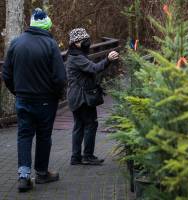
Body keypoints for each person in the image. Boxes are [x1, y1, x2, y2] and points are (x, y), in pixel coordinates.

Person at [2, 8, 66, 192]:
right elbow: (60, 77)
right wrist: (56, 93)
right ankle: (42, 173)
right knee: (44, 136)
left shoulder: (16, 43)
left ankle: (23, 176)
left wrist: (17, 91)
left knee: (24, 135)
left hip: (23, 98)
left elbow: (6, 74)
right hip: (45, 100)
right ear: (47, 25)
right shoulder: (50, 44)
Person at [66, 28, 119, 165]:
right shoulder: (77, 57)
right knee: (90, 124)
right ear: (76, 43)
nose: (88, 42)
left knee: (79, 126)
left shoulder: (75, 55)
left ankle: (76, 157)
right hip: (82, 97)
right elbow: (94, 68)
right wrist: (107, 59)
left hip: (75, 96)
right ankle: (87, 156)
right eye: (85, 40)